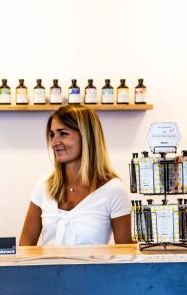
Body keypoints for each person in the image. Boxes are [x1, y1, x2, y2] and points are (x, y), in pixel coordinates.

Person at [19, 105, 132, 246]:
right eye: (52, 135)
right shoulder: (44, 186)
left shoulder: (114, 190)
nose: (54, 142)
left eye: (63, 133)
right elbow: (26, 245)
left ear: (87, 137)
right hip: (47, 262)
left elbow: (127, 253)